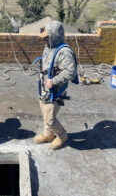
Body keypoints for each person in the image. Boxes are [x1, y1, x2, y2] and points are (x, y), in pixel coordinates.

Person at [34, 21, 77, 150]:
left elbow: (71, 72)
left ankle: (62, 136)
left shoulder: (64, 52)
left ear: (54, 35)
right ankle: (48, 135)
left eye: (47, 37)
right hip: (44, 89)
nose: (44, 40)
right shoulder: (48, 47)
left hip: (55, 91)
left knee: (51, 119)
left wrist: (53, 81)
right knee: (45, 115)